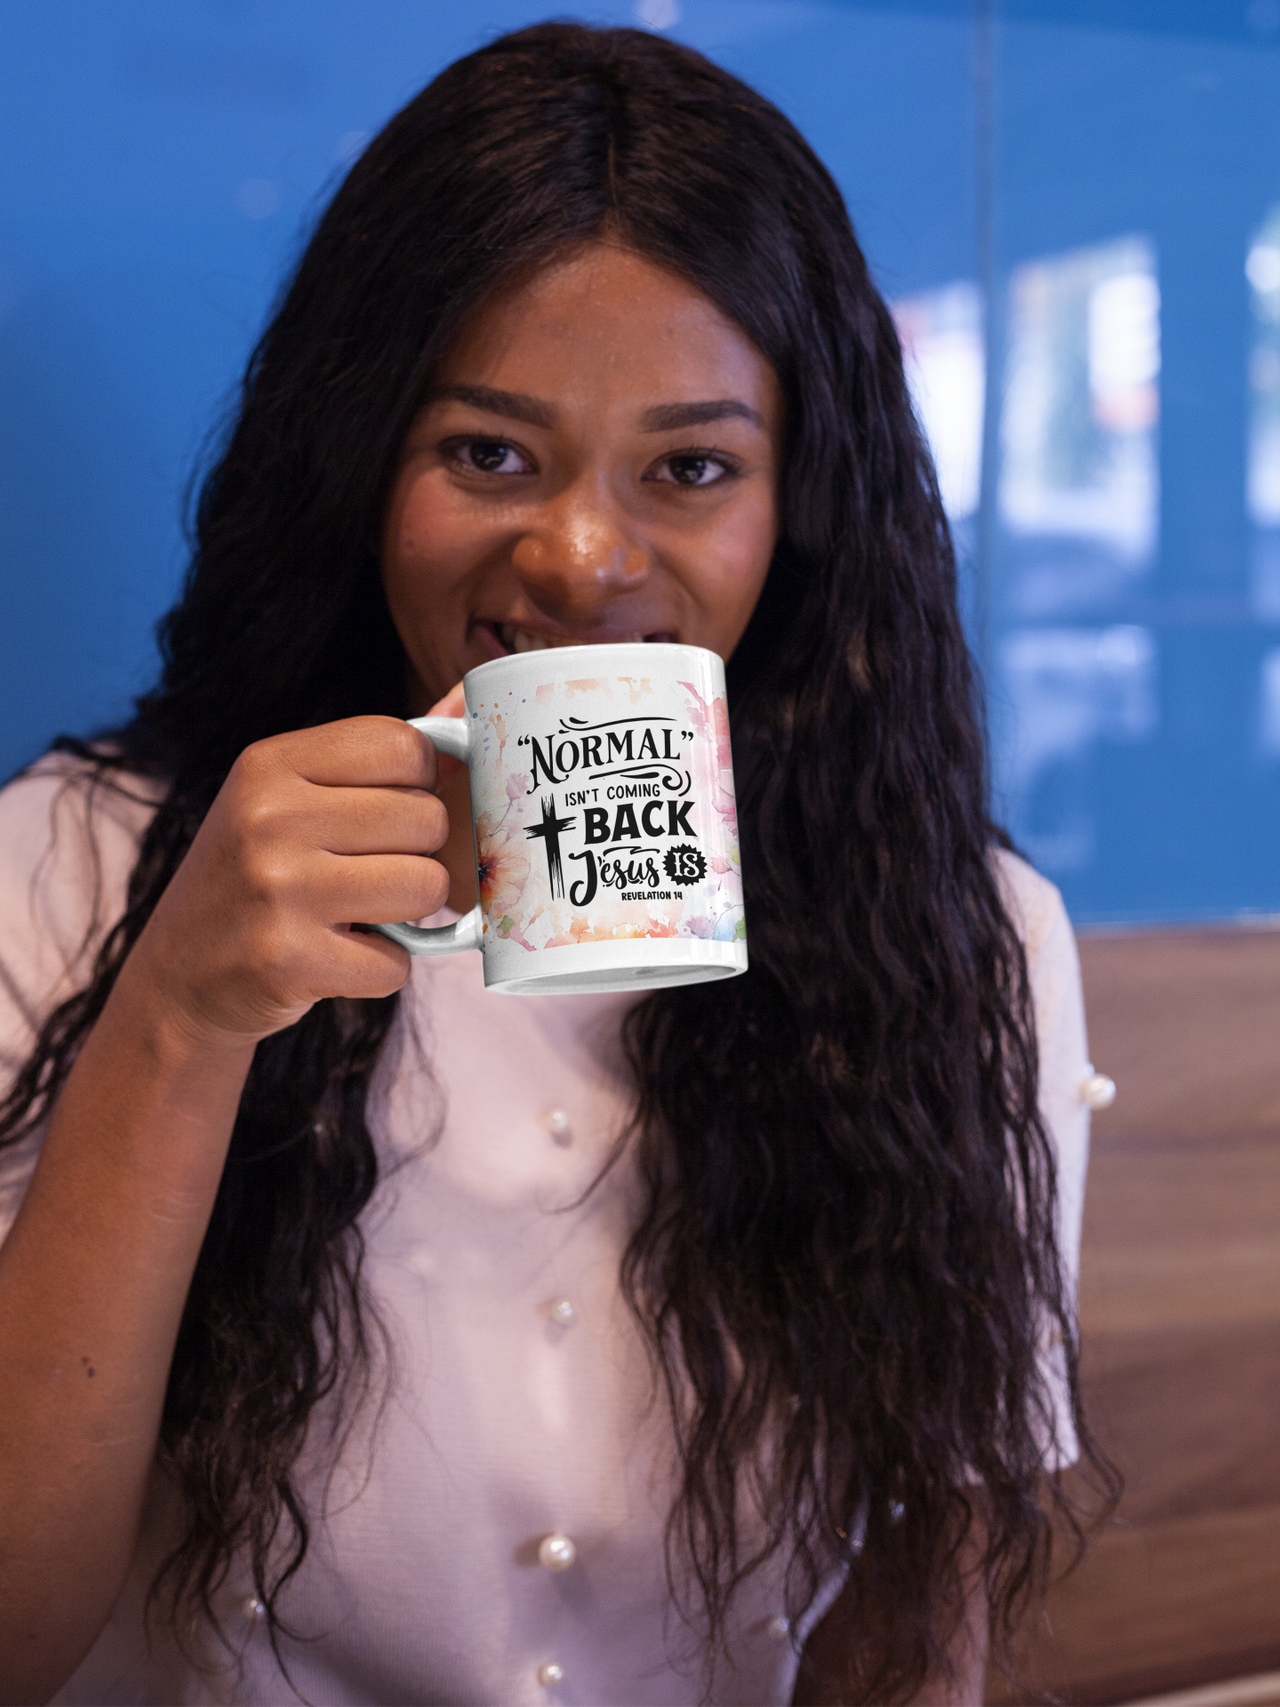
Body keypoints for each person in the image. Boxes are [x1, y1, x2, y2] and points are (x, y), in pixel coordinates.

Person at [0, 22, 1110, 1707]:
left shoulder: (966, 942)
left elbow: (914, 1624)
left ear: (797, 509)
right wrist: (179, 1012)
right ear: (357, 467)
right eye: (490, 454)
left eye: (692, 468)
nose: (587, 557)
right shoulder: (77, 865)